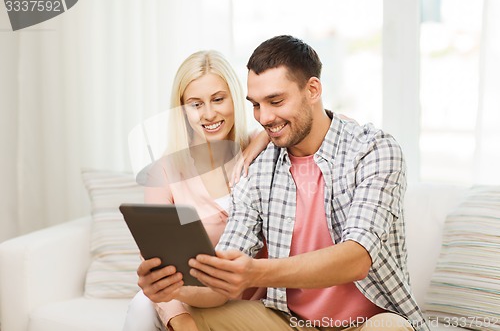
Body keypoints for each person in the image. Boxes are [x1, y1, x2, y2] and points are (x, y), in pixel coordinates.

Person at [138, 35, 430, 331]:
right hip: (288, 323)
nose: (264, 118)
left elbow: (356, 258)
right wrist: (172, 289)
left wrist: (255, 273)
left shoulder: (373, 151)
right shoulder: (258, 168)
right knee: (193, 320)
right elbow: (219, 287)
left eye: (275, 101)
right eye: (256, 105)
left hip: (368, 323)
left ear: (313, 89)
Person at [123, 50, 269, 331]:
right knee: (142, 304)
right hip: (192, 297)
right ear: (182, 109)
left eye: (218, 99)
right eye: (195, 104)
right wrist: (180, 319)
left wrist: (259, 139)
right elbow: (156, 261)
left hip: (253, 303)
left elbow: (319, 121)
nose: (209, 113)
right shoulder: (164, 172)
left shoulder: (260, 151)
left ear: (234, 99)